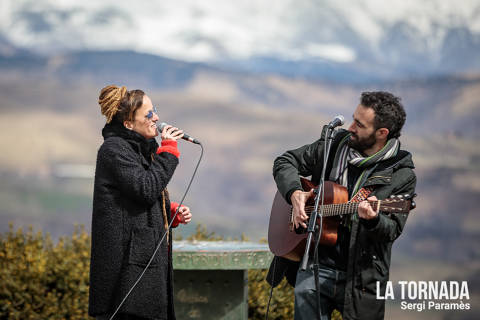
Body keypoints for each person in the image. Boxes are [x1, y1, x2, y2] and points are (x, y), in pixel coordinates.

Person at [269, 91, 416, 320]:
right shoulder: (334, 146)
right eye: (353, 118)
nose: (350, 128)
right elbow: (285, 161)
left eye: (359, 124)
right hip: (316, 265)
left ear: (382, 133)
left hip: (363, 279)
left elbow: (391, 230)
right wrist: (294, 192)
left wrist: (373, 219)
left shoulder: (401, 174)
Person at [88, 85, 192, 320]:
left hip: (142, 268)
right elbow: (145, 189)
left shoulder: (141, 149)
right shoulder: (113, 150)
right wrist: (168, 153)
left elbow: (136, 199)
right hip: (126, 275)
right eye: (148, 114)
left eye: (154, 110)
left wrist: (168, 211)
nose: (156, 117)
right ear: (128, 123)